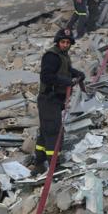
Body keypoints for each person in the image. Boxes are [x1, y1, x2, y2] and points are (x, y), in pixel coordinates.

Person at [34, 29, 85, 175]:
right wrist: (67, 81)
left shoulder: (63, 55)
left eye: (68, 43)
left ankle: (38, 163)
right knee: (54, 133)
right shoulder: (52, 56)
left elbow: (66, 70)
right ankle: (54, 167)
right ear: (58, 42)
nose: (65, 45)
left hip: (55, 100)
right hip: (48, 99)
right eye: (63, 42)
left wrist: (78, 74)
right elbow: (46, 77)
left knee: (45, 132)